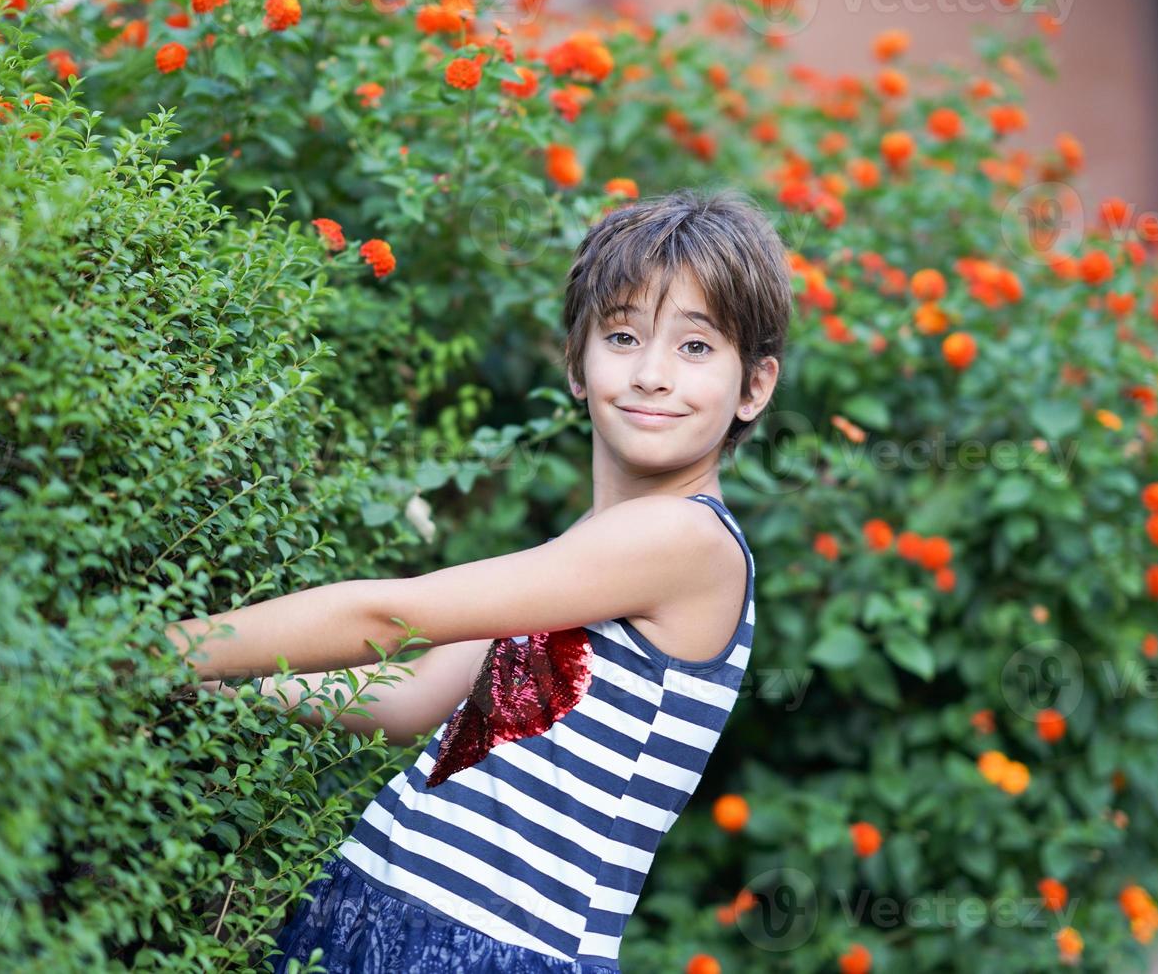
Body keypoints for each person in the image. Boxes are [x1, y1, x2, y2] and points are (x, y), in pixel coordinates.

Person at [163, 186, 790, 972]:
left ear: (754, 387)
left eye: (696, 348)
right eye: (624, 336)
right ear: (576, 362)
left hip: (495, 951)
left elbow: (395, 617)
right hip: (375, 910)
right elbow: (414, 696)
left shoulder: (685, 540)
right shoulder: (589, 555)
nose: (653, 374)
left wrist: (161, 650)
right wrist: (214, 688)